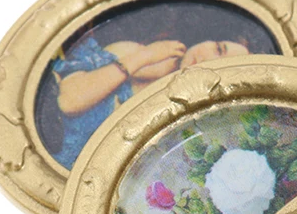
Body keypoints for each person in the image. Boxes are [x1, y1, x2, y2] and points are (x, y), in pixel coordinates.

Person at [51, 36, 249, 169]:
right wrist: (144, 57)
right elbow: (68, 101)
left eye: (219, 67)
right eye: (218, 49)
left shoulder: (183, 127)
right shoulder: (134, 53)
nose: (207, 61)